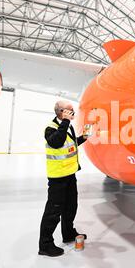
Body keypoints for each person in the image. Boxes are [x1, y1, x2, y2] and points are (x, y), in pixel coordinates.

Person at [38, 100, 88, 257]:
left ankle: (68, 233)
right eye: (70, 111)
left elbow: (71, 145)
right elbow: (57, 142)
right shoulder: (50, 128)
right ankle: (45, 245)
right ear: (61, 112)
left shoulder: (68, 127)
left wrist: (84, 137)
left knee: (70, 206)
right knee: (53, 212)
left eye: (72, 111)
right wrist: (66, 121)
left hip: (70, 175)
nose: (73, 113)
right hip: (57, 178)